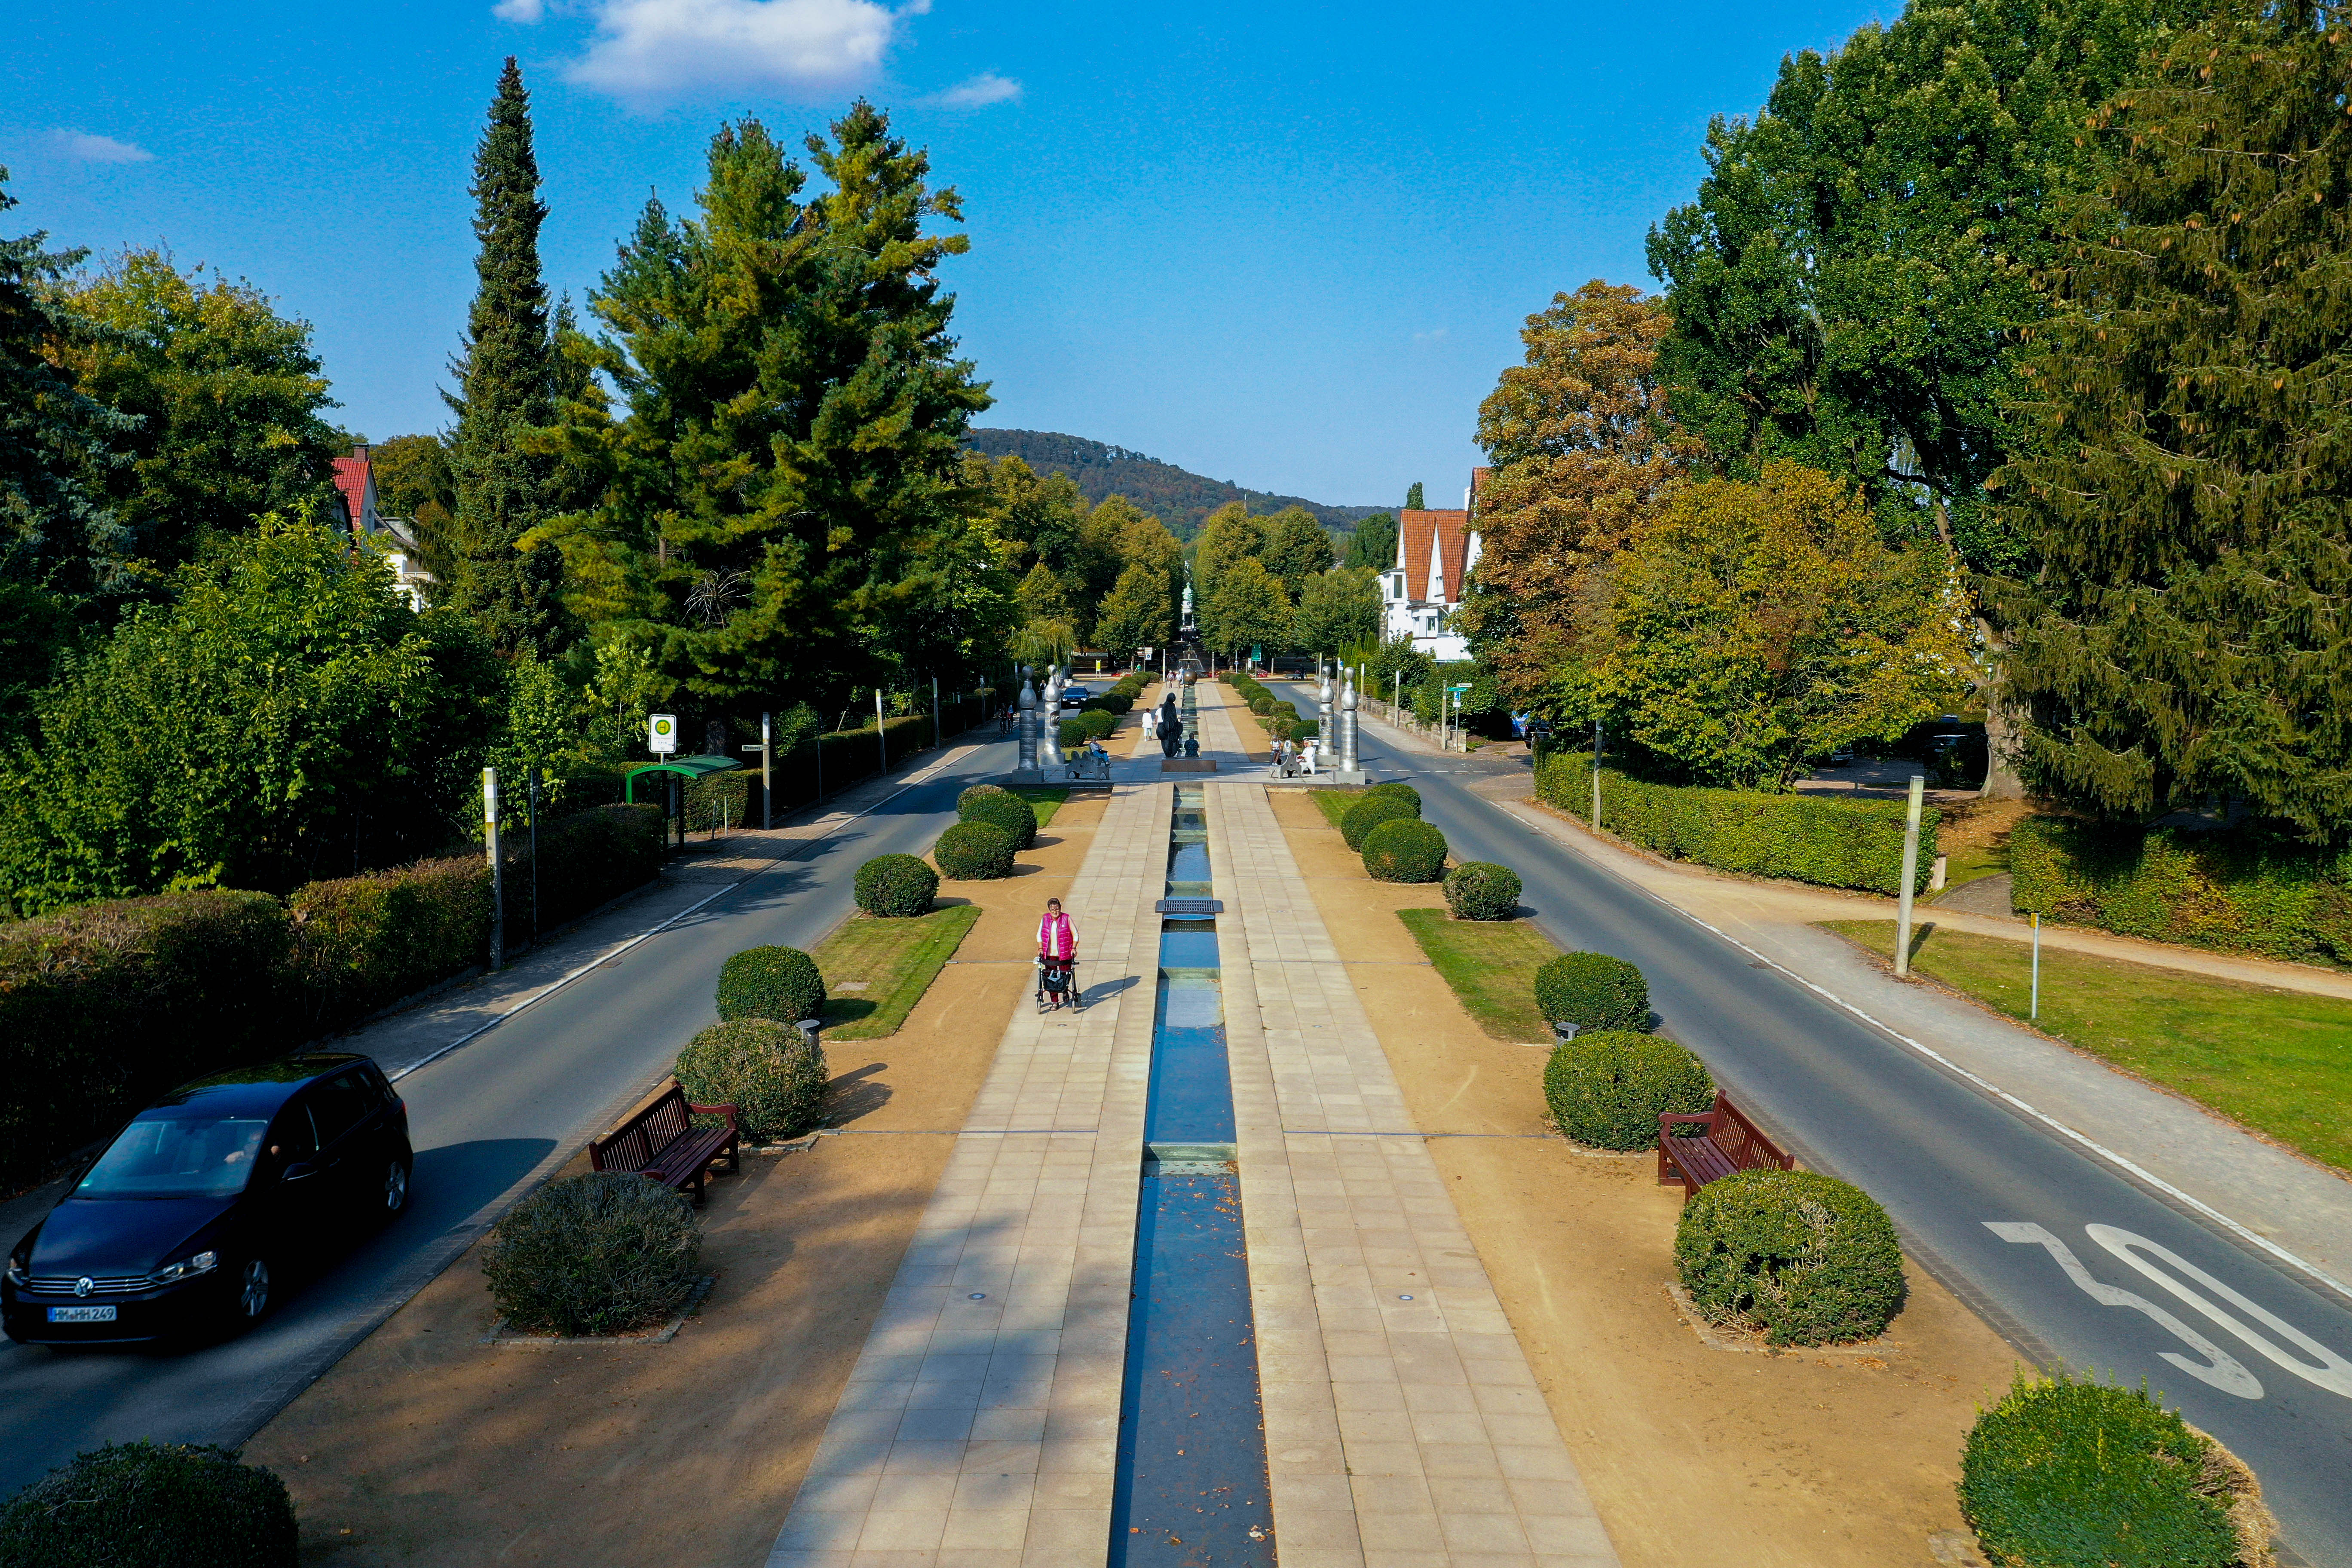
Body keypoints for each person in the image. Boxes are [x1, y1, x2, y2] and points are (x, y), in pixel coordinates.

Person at [1037, 897, 1078, 1010]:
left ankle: (1064, 990)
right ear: (1049, 910)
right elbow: (1039, 934)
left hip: (1065, 954)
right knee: (1051, 977)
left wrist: (1074, 948)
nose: (1055, 912)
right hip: (1050, 955)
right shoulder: (1045, 919)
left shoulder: (1066, 918)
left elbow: (1075, 934)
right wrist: (1040, 948)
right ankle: (1055, 1002)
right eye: (1052, 910)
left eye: (1057, 909)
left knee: (1065, 975)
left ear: (1060, 908)